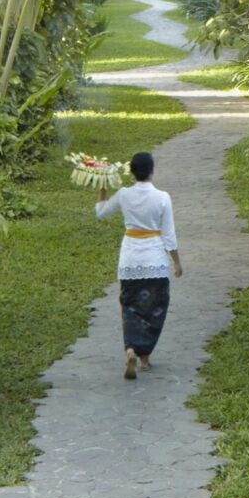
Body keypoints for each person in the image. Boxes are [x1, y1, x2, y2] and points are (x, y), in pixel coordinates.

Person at [94, 150, 180, 380]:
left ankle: (131, 348)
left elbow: (101, 212)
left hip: (130, 259)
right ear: (152, 171)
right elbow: (169, 235)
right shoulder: (162, 197)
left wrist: (102, 184)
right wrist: (176, 262)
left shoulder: (123, 195)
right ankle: (144, 359)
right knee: (155, 307)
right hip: (155, 260)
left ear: (132, 172)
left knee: (130, 306)